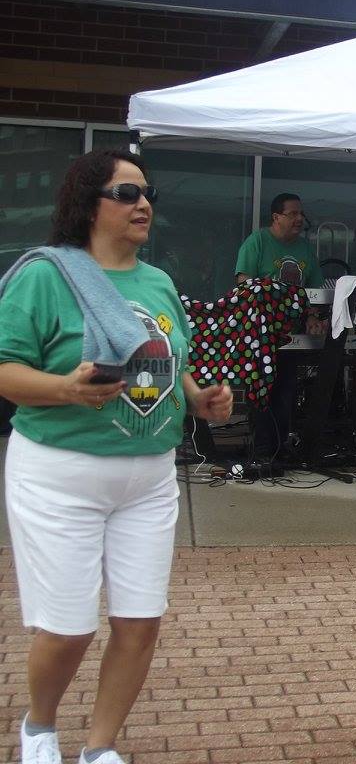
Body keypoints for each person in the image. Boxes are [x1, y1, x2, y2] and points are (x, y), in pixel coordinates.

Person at [0, 149, 233, 764]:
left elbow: (168, 359)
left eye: (147, 192)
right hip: (58, 476)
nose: (144, 204)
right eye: (126, 193)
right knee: (68, 627)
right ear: (88, 204)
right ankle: (40, 727)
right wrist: (63, 389)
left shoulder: (158, 283)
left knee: (140, 621)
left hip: (150, 480)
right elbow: (4, 368)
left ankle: (99, 748)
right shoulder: (44, 275)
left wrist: (200, 398)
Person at [234, 192, 322, 458]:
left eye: (301, 214)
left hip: (291, 334)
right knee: (262, 390)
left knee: (286, 391)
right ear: (276, 217)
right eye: (292, 213)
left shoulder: (305, 248)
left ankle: (279, 449)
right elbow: (243, 282)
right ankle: (261, 451)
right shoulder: (258, 241)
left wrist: (312, 316)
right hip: (261, 332)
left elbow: (314, 292)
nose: (299, 218)